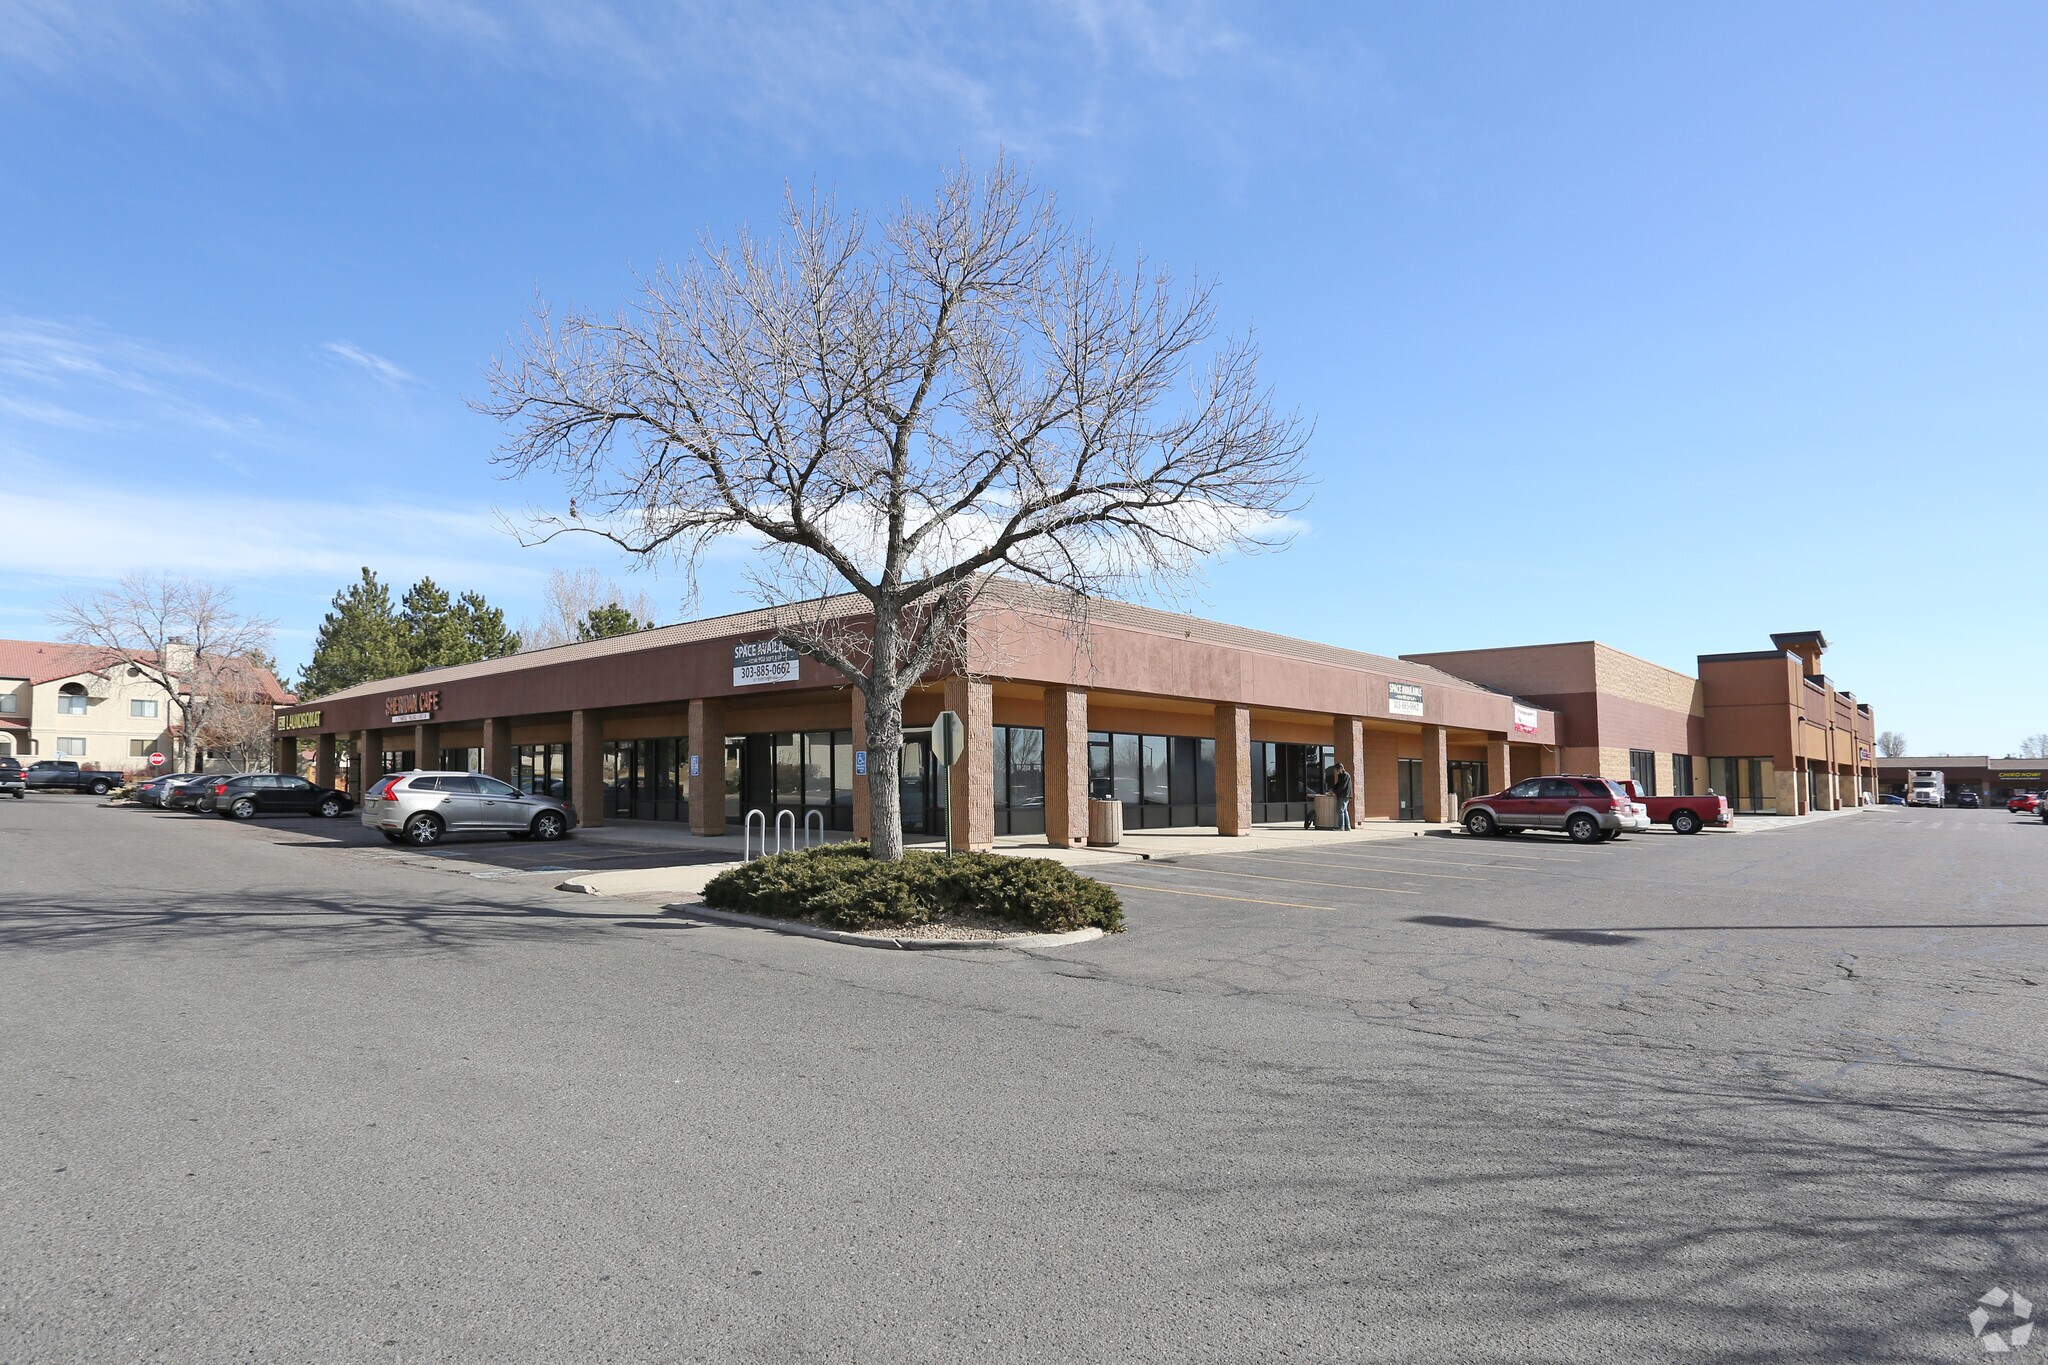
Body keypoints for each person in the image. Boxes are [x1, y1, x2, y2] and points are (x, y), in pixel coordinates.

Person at [1332, 762, 1354, 830]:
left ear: (1340, 768)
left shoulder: (1345, 775)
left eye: (1336, 769)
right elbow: (1338, 784)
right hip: (1344, 794)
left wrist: (1335, 792)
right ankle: (1347, 827)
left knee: (1341, 810)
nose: (1335, 771)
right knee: (1344, 810)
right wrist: (1333, 789)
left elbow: (1342, 786)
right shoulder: (1341, 775)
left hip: (1344, 795)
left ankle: (1341, 827)